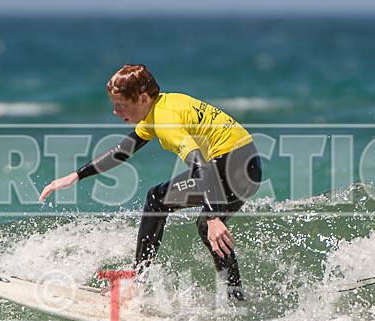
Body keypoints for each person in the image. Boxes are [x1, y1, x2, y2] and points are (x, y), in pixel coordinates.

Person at [39, 64, 262, 300]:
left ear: (143, 98)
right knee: (206, 227)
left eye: (121, 105)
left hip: (230, 165)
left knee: (157, 200)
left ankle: (137, 284)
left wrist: (214, 215)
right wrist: (76, 176)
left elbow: (200, 165)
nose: (115, 112)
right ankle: (236, 297)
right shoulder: (162, 106)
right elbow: (124, 149)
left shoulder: (166, 121)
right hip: (250, 166)